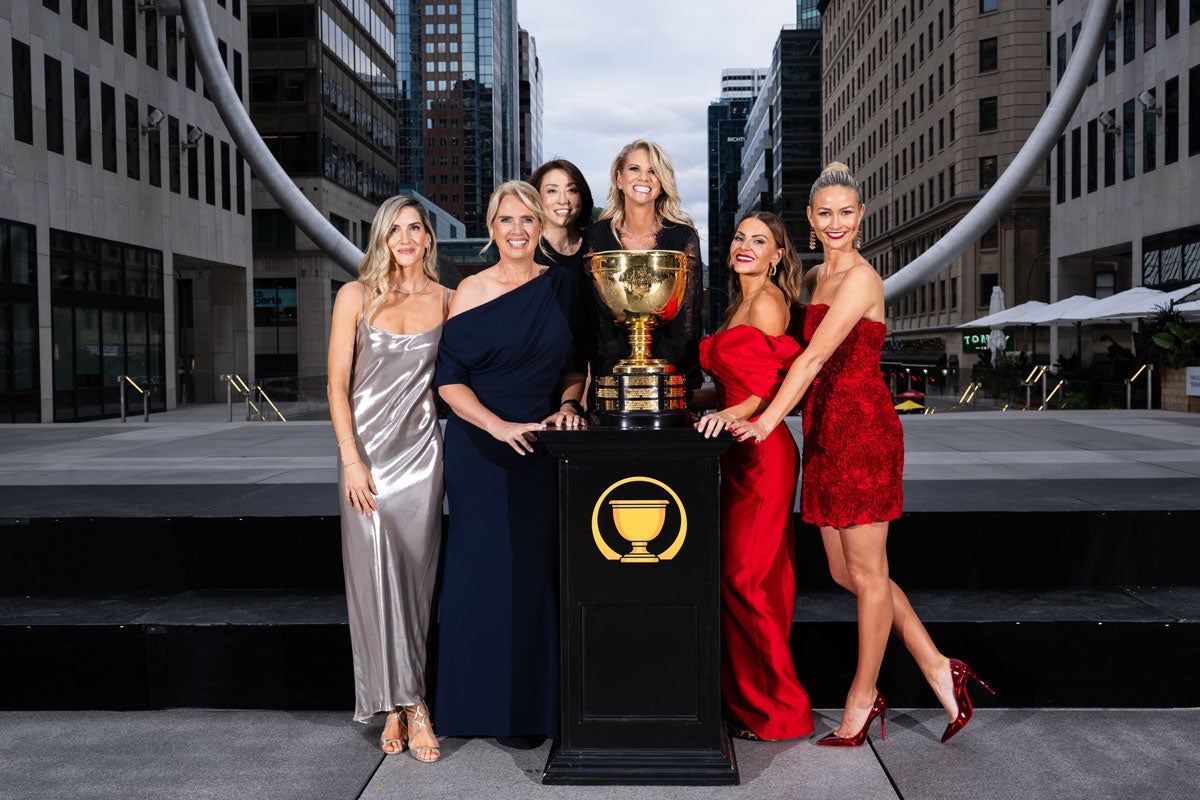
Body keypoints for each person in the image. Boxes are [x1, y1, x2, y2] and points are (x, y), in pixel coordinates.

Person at [729, 163, 994, 746]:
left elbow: (815, 358)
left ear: (862, 216)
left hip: (863, 429)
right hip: (825, 428)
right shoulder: (816, 276)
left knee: (870, 574)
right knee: (844, 571)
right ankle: (936, 664)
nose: (835, 223)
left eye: (845, 212)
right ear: (810, 219)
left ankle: (862, 695)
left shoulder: (861, 280)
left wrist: (767, 420)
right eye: (824, 213)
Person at [433, 181, 587, 747]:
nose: (517, 231)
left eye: (527, 219)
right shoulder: (469, 290)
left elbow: (576, 365)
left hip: (540, 450)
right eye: (506, 220)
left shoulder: (562, 286)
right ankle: (476, 707)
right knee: (480, 576)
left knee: (532, 574)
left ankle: (532, 709)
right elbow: (448, 380)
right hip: (479, 449)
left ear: (542, 225)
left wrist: (569, 404)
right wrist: (497, 426)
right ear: (491, 229)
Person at [327, 195, 449, 762]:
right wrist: (350, 458)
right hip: (366, 458)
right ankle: (406, 704)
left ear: (428, 237)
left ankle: (404, 702)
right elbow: (336, 386)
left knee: (415, 582)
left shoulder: (449, 301)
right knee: (374, 579)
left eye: (415, 228)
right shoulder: (356, 295)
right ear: (382, 237)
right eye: (394, 229)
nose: (405, 238)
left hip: (421, 456)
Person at [694, 212, 815, 741]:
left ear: (778, 256)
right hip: (736, 452)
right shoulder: (736, 305)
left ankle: (781, 712)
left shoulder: (766, 302)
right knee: (742, 579)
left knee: (748, 579)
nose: (745, 245)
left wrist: (730, 415)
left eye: (759, 241)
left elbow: (766, 392)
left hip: (762, 454)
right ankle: (747, 703)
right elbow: (728, 388)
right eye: (740, 236)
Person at [583, 139, 704, 396]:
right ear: (619, 179)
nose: (644, 178)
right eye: (635, 169)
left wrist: (671, 379)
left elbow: (688, 321)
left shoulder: (683, 236)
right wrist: (616, 374)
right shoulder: (595, 236)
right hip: (610, 376)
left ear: (662, 182)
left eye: (653, 171)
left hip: (667, 377)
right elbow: (593, 317)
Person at [530, 158, 594, 274]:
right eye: (552, 191)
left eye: (571, 190)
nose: (563, 200)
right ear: (536, 197)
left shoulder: (596, 244)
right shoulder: (527, 248)